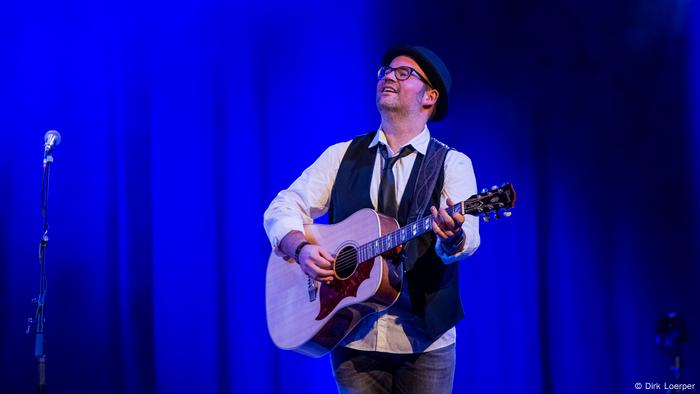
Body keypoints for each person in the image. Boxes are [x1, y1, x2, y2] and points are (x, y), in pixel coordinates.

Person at [263, 45, 480, 393]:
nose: (389, 76)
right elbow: (282, 206)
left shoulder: (452, 164)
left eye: (404, 72)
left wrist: (452, 239)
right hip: (353, 335)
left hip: (425, 341)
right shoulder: (342, 155)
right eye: (385, 71)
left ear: (430, 97)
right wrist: (301, 248)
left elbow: (467, 238)